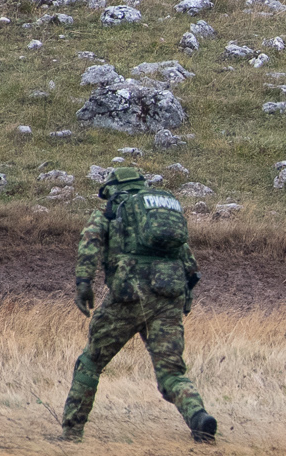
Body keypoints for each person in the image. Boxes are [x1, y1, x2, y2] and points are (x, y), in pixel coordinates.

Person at [63, 165, 217, 442]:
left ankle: (71, 433)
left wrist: (84, 283)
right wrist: (186, 298)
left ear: (112, 189)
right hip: (168, 296)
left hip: (127, 297)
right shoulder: (158, 213)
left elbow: (89, 243)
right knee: (171, 372)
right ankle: (198, 417)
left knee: (90, 363)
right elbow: (189, 262)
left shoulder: (111, 212)